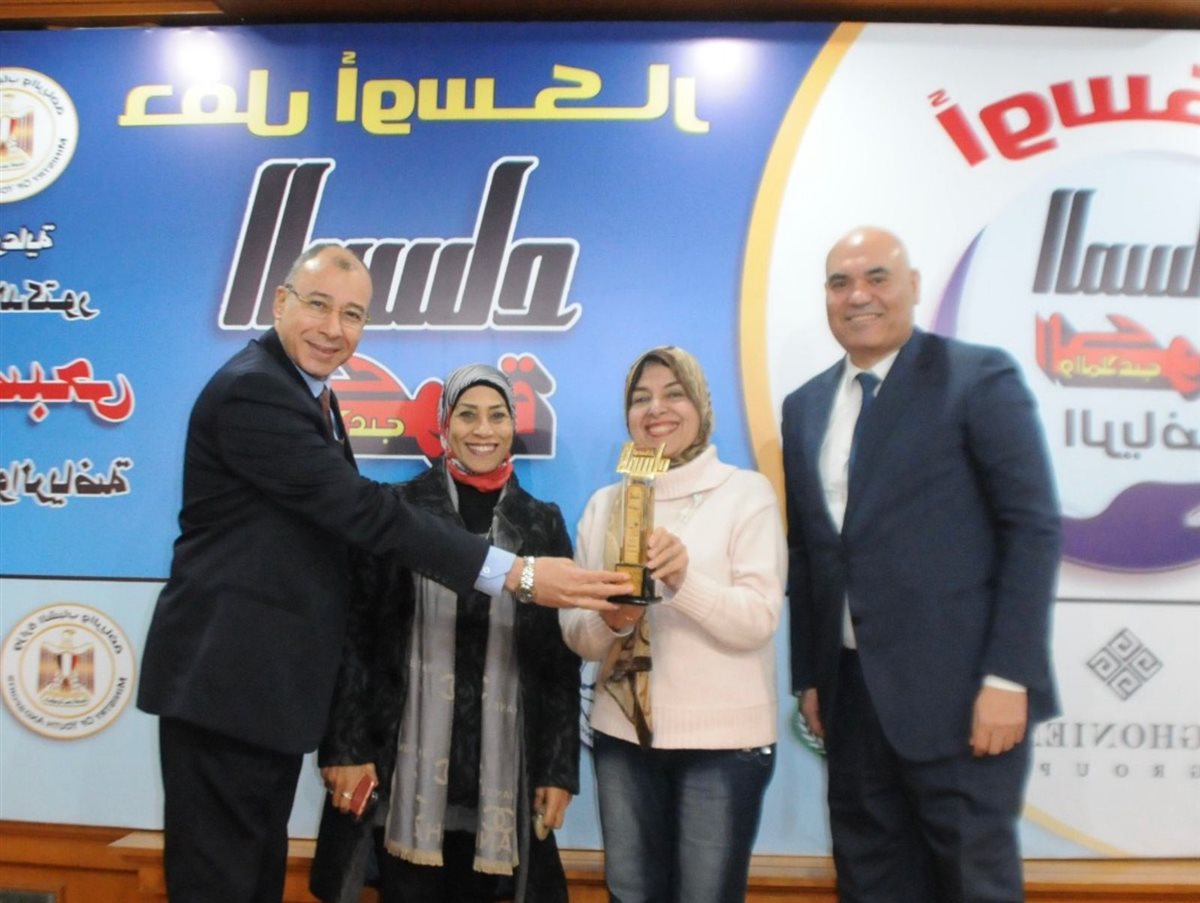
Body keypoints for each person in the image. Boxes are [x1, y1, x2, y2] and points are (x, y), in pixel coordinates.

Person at [137, 244, 628, 903]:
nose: (333, 328)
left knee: (252, 879)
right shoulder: (255, 390)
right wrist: (517, 575)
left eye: (352, 314)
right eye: (318, 305)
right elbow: (362, 513)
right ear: (280, 302)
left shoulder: (312, 397)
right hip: (229, 686)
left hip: (262, 696)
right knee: (221, 883)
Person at [781, 226, 1061, 903]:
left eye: (877, 277)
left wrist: (1009, 675)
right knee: (869, 880)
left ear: (912, 286)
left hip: (964, 698)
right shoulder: (804, 406)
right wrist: (812, 675)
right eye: (840, 282)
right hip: (850, 700)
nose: (858, 295)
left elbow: (1031, 529)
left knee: (972, 883)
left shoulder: (976, 378)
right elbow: (811, 550)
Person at [309, 363, 580, 903]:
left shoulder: (540, 522)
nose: (483, 430)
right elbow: (356, 636)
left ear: (513, 426)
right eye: (468, 415)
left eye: (497, 416)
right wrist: (345, 747)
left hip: (502, 779)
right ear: (444, 423)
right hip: (402, 779)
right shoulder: (396, 510)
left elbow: (557, 658)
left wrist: (557, 770)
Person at [560, 346, 786, 903]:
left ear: (701, 405)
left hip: (724, 748)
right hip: (622, 739)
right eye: (641, 398)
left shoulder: (746, 493)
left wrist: (685, 580)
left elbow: (758, 620)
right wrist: (615, 620)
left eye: (674, 394)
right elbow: (578, 635)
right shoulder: (606, 505)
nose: (656, 409)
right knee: (629, 892)